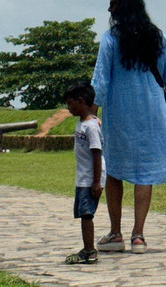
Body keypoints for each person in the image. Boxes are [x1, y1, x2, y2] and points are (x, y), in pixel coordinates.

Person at [91, 0, 166, 254]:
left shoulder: (110, 38)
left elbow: (101, 80)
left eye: (113, 3)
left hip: (120, 113)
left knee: (115, 171)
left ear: (121, 6)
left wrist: (91, 114)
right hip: (153, 113)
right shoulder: (157, 37)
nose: (109, 8)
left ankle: (116, 233)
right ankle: (139, 236)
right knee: (145, 173)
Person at [63, 80, 105, 265]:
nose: (68, 108)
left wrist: (96, 182)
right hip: (83, 177)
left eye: (70, 104)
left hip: (90, 178)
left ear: (80, 101)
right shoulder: (83, 123)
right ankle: (87, 247)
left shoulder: (91, 127)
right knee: (83, 213)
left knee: (87, 214)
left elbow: (97, 153)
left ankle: (90, 250)